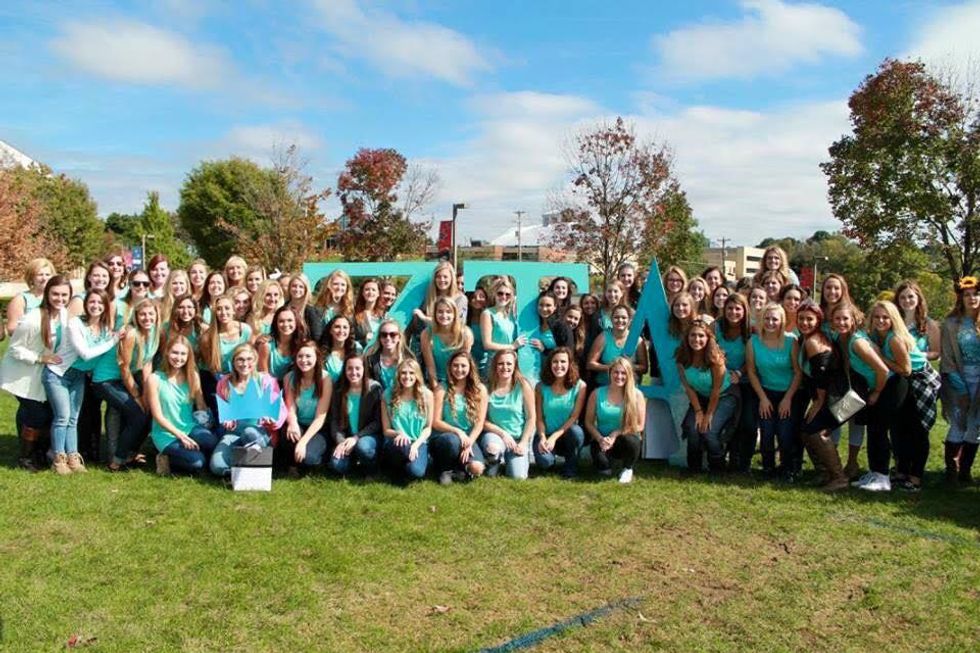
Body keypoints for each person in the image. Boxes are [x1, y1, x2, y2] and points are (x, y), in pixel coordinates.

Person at [43, 289, 120, 474]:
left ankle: (73, 457)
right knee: (62, 417)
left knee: (73, 418)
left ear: (105, 306)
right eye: (92, 302)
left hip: (78, 376)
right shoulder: (75, 323)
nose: (96, 306)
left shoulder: (105, 329)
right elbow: (85, 354)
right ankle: (58, 458)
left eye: (100, 303)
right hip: (58, 374)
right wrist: (114, 340)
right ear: (86, 304)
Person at [867, 300, 936, 492]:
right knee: (900, 428)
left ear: (893, 319)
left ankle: (915, 477)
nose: (880, 320)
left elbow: (906, 369)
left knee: (917, 430)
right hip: (904, 382)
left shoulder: (894, 339)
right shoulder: (876, 336)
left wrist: (880, 357)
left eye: (885, 317)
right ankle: (902, 471)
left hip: (919, 381)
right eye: (876, 317)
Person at [1, 276, 68, 470]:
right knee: (37, 414)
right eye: (55, 294)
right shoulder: (33, 319)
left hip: (41, 375)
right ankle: (26, 457)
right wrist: (40, 358)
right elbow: (15, 349)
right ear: (47, 294)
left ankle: (39, 453)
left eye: (64, 295)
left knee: (43, 413)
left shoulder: (63, 315)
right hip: (21, 374)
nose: (60, 298)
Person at [831, 302, 894, 492]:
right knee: (871, 430)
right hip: (872, 386)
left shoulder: (857, 342)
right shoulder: (840, 338)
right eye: (837, 319)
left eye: (845, 319)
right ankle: (872, 473)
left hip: (887, 385)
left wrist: (877, 392)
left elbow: (883, 370)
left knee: (878, 431)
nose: (841, 322)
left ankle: (882, 477)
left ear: (854, 320)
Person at [210, 343, 287, 477]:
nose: (245, 364)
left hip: (260, 433)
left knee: (249, 433)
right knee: (217, 466)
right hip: (234, 434)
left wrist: (273, 421)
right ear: (233, 362)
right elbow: (223, 412)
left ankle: (257, 462)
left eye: (249, 359)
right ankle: (239, 472)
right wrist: (228, 421)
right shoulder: (224, 382)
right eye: (240, 359)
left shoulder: (266, 380)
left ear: (255, 360)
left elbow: (280, 409)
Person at [795, 301, 849, 490]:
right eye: (801, 318)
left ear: (818, 320)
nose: (805, 323)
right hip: (830, 394)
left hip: (837, 396)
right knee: (805, 429)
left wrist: (818, 403)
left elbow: (822, 376)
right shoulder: (807, 338)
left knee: (817, 431)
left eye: (809, 319)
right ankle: (824, 472)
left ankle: (839, 477)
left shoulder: (813, 342)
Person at [745, 304, 802, 480]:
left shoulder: (791, 341)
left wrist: (788, 398)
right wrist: (762, 398)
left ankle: (787, 468)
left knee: (785, 433)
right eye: (767, 318)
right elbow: (751, 372)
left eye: (775, 319)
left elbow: (798, 372)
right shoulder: (753, 342)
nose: (770, 322)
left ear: (782, 321)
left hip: (788, 393)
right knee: (767, 431)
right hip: (766, 392)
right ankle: (768, 468)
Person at [146, 336, 218, 475]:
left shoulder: (193, 376)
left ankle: (193, 452)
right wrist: (181, 436)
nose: (178, 358)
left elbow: (201, 405)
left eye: (183, 354)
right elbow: (158, 416)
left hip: (189, 427)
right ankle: (165, 457)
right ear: (167, 352)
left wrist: (208, 426)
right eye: (175, 352)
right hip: (166, 433)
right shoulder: (154, 379)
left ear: (188, 356)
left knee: (211, 441)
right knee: (198, 462)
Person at [676, 320, 739, 473]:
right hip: (701, 396)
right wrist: (698, 411)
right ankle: (694, 467)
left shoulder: (715, 358)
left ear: (708, 338)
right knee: (693, 428)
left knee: (709, 430)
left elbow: (716, 390)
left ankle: (717, 466)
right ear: (687, 337)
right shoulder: (682, 357)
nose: (696, 339)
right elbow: (689, 388)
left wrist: (708, 414)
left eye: (701, 336)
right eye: (692, 335)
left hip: (724, 395)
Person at [940, 276, 980, 485]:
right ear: (961, 298)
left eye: (976, 294)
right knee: (958, 424)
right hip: (959, 379)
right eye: (967, 295)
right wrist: (961, 388)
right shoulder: (951, 324)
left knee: (975, 426)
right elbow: (947, 358)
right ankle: (951, 470)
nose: (972, 298)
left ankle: (965, 470)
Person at [584, 357, 646, 483]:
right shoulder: (597, 393)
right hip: (603, 439)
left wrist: (616, 433)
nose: (619, 376)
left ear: (629, 375)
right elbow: (588, 422)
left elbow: (640, 425)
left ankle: (628, 468)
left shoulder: (637, 395)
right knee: (603, 468)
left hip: (625, 439)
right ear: (610, 373)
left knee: (632, 441)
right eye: (616, 372)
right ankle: (607, 462)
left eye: (623, 373)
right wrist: (600, 439)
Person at [430, 351, 488, 484]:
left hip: (467, 438)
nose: (459, 369)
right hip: (444, 437)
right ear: (450, 367)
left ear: (470, 367)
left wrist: (470, 442)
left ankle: (460, 469)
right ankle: (444, 468)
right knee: (452, 442)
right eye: (455, 365)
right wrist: (458, 431)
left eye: (463, 366)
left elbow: (479, 423)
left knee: (477, 468)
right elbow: (435, 422)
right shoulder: (441, 389)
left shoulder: (480, 390)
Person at [479, 349, 536, 479]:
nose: (505, 367)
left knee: (518, 477)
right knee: (493, 449)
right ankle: (493, 461)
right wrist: (503, 434)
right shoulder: (486, 387)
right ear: (495, 366)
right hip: (495, 435)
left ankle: (511, 463)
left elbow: (531, 418)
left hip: (517, 438)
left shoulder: (523, 386)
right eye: (501, 363)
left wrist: (523, 442)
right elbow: (481, 421)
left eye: (509, 364)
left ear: (515, 366)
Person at [715, 293, 755, 471]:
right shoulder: (716, 327)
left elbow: (754, 357)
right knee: (726, 420)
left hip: (746, 381)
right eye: (730, 308)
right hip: (721, 380)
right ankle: (723, 455)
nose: (733, 312)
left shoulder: (752, 331)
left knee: (747, 422)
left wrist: (739, 372)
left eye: (738, 309)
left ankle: (743, 461)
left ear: (745, 311)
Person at [534, 347, 587, 478]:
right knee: (545, 462)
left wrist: (554, 437)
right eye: (555, 362)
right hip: (546, 434)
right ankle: (551, 460)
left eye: (563, 362)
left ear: (570, 364)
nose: (559, 365)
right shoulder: (540, 387)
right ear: (550, 364)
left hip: (567, 434)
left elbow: (574, 417)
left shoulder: (580, 386)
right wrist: (543, 438)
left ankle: (571, 465)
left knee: (577, 433)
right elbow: (539, 418)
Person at [282, 341, 331, 475]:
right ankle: (292, 466)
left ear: (317, 358)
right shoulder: (289, 378)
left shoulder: (325, 379)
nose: (304, 360)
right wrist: (293, 423)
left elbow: (320, 417)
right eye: (300, 356)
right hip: (299, 423)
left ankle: (321, 458)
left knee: (309, 457)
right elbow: (290, 407)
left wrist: (303, 442)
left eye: (308, 356)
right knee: (289, 434)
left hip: (318, 428)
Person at [329, 355, 383, 476]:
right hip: (346, 437)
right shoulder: (338, 390)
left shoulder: (374, 389)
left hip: (368, 436)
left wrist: (356, 438)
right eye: (350, 368)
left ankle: (371, 467)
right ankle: (354, 459)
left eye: (358, 368)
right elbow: (334, 420)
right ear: (345, 370)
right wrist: (341, 441)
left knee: (363, 448)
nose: (354, 372)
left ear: (364, 369)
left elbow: (377, 422)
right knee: (337, 465)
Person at [381, 359, 434, 482]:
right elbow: (386, 430)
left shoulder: (427, 395)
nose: (407, 376)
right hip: (397, 442)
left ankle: (416, 463)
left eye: (411, 373)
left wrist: (416, 444)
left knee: (416, 471)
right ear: (398, 375)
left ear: (417, 375)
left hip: (418, 441)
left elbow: (428, 428)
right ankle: (396, 467)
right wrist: (399, 433)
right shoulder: (387, 395)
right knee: (403, 446)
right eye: (403, 373)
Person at [587, 304, 648, 385]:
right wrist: (611, 367)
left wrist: (626, 366)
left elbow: (644, 368)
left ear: (629, 320)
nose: (620, 320)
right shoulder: (603, 337)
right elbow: (590, 364)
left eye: (624, 317)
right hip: (606, 385)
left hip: (629, 386)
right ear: (611, 319)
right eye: (616, 317)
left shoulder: (637, 340)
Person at [421, 296, 473, 388]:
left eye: (448, 312)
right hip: (437, 380)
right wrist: (436, 389)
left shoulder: (465, 334)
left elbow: (463, 364)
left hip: (459, 379)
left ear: (454, 314)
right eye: (440, 311)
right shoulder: (426, 334)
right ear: (435, 314)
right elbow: (430, 367)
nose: (444, 315)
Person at [479, 277, 525, 377]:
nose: (504, 297)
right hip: (494, 364)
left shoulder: (511, 315)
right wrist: (512, 346)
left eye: (507, 294)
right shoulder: (487, 314)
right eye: (500, 293)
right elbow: (487, 344)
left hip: (510, 364)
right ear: (494, 294)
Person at [526, 292, 572, 386]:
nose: (544, 309)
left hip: (554, 373)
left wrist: (545, 350)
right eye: (541, 305)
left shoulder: (561, 326)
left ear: (555, 306)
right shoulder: (534, 323)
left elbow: (568, 352)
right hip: (533, 372)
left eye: (548, 305)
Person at [5, 258, 55, 337]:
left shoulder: (57, 298)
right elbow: (12, 329)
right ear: (31, 277)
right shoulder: (21, 299)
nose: (44, 278)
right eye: (40, 275)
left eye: (47, 274)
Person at [894, 280, 940, 361]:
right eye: (902, 297)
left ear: (918, 298)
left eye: (911, 296)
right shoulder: (891, 322)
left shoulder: (929, 324)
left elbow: (936, 353)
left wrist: (915, 356)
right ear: (898, 300)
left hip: (918, 367)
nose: (907, 300)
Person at [256, 306, 305, 380]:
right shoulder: (266, 345)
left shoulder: (302, 345)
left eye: (290, 320)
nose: (285, 324)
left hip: (292, 384)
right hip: (269, 384)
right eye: (281, 321)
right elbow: (263, 377)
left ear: (296, 322)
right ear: (276, 324)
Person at [366, 319, 414, 391]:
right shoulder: (370, 360)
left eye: (393, 335)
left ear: (399, 337)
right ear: (379, 338)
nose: (388, 338)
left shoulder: (408, 359)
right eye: (384, 335)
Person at [320, 314, 361, 384]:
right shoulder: (322, 352)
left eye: (345, 327)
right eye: (337, 327)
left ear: (349, 330)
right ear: (330, 330)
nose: (341, 330)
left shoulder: (357, 348)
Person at [286, 273, 324, 343]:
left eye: (301, 287)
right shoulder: (283, 307)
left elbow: (317, 337)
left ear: (306, 289)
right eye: (294, 286)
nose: (297, 289)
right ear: (289, 288)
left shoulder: (311, 311)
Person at [353, 277, 385, 348]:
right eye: (367, 289)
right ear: (362, 293)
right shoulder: (353, 314)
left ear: (378, 293)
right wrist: (364, 340)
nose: (370, 292)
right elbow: (348, 339)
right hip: (362, 352)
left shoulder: (384, 315)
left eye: (373, 290)